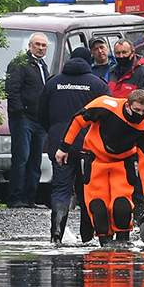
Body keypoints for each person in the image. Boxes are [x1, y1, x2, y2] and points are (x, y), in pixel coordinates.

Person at [54, 90, 144, 247]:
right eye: (137, 110)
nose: (140, 115)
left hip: (122, 164)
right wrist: (64, 147)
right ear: (128, 105)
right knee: (98, 207)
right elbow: (78, 120)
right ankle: (104, 244)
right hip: (96, 160)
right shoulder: (106, 105)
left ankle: (123, 245)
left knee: (121, 207)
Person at [39, 46, 109, 244]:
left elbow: (41, 114)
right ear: (89, 61)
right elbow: (109, 116)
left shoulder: (53, 82)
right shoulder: (98, 85)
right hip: (89, 145)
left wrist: (54, 133)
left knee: (61, 189)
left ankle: (56, 235)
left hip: (60, 144)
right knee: (87, 188)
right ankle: (87, 237)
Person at [108, 38, 144, 222]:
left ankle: (139, 209)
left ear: (132, 52)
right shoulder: (112, 71)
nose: (121, 57)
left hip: (137, 128)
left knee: (138, 170)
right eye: (118, 53)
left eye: (124, 53)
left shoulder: (143, 72)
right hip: (114, 128)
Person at [5, 32, 50, 208]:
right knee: (21, 158)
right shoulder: (19, 63)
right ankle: (15, 197)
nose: (40, 48)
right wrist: (20, 111)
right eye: (37, 44)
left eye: (43, 45)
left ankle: (30, 198)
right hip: (23, 119)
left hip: (40, 120)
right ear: (30, 45)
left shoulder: (43, 66)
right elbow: (12, 90)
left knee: (35, 160)